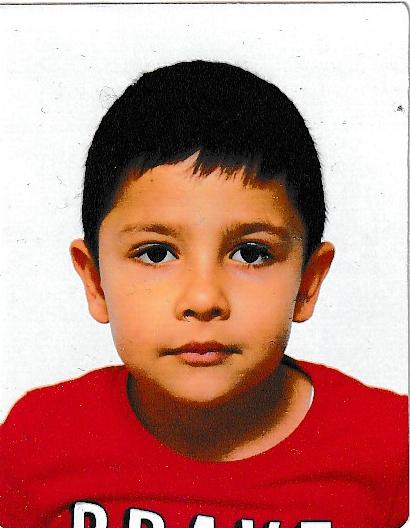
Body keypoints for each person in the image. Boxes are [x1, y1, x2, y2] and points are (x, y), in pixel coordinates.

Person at [0, 61, 407, 528]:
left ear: (308, 283)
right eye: (156, 254)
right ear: (95, 282)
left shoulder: (390, 445)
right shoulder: (39, 439)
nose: (203, 298)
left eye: (251, 254)